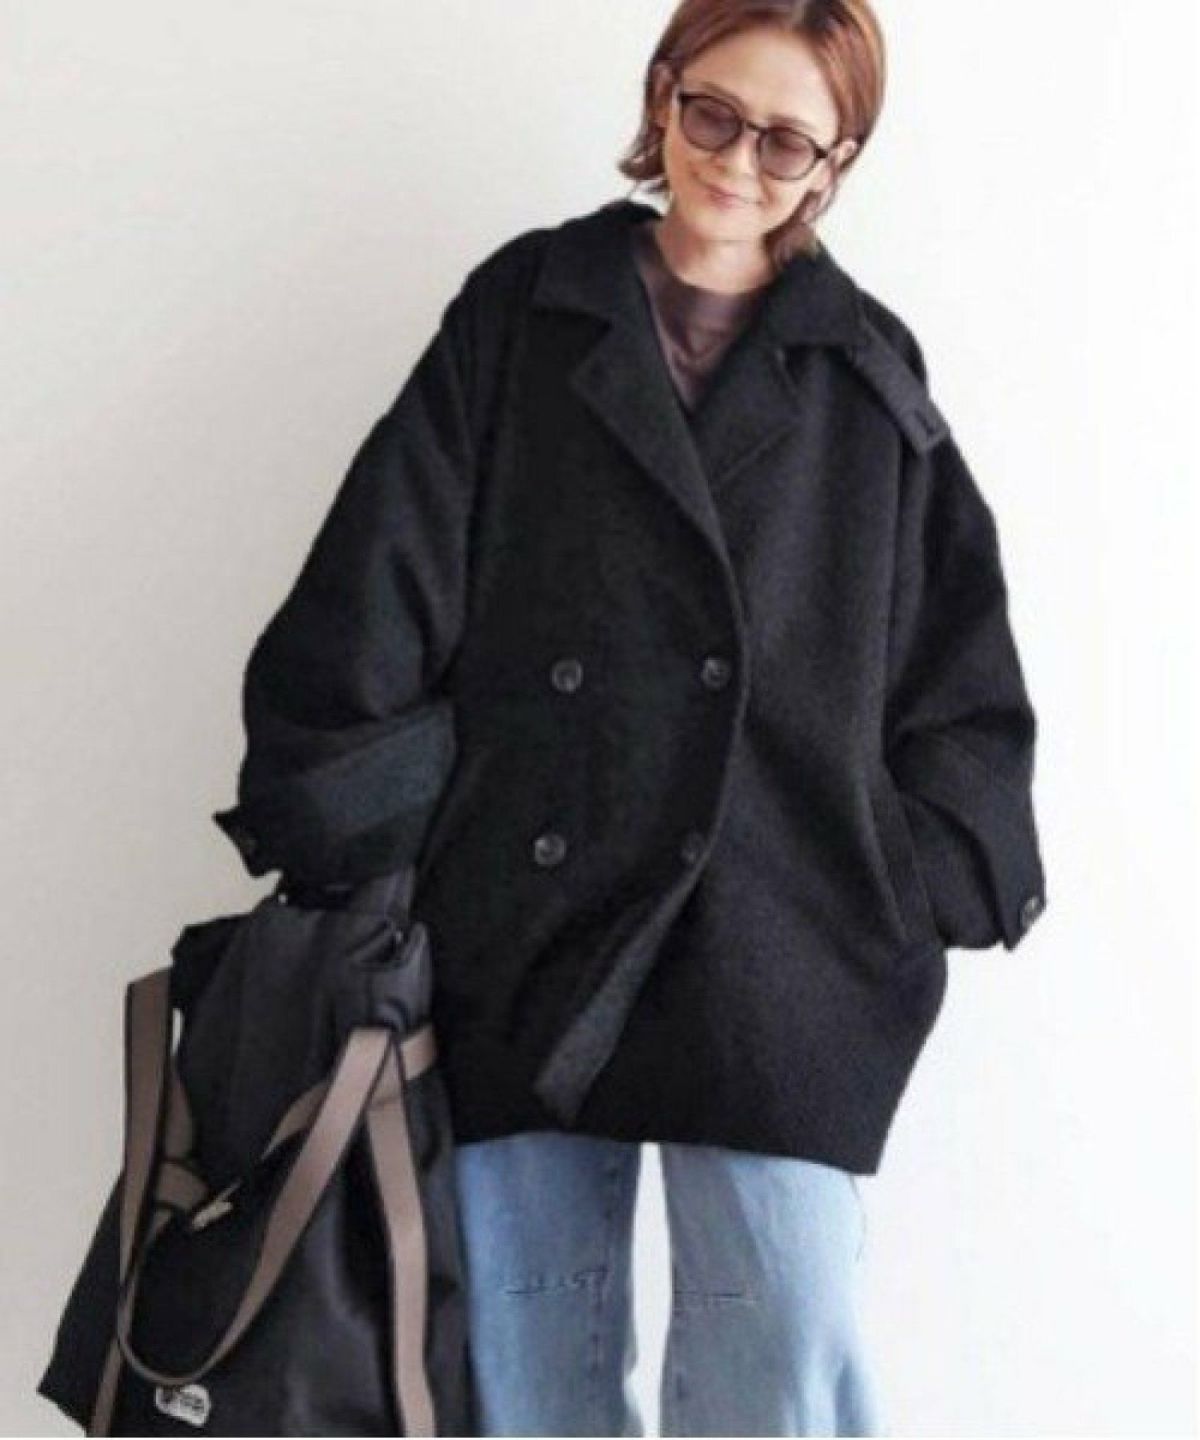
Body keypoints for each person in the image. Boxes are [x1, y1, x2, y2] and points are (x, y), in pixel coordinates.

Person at [213, 1, 1048, 1434]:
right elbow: (382, 573)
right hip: (523, 923)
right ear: (663, 95)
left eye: (787, 142)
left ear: (838, 162)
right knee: (526, 1364)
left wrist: (915, 872)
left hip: (786, 934)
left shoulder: (864, 365)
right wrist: (380, 843)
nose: (737, 161)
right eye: (714, 113)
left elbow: (955, 649)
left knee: (786, 1347)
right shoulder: (529, 309)